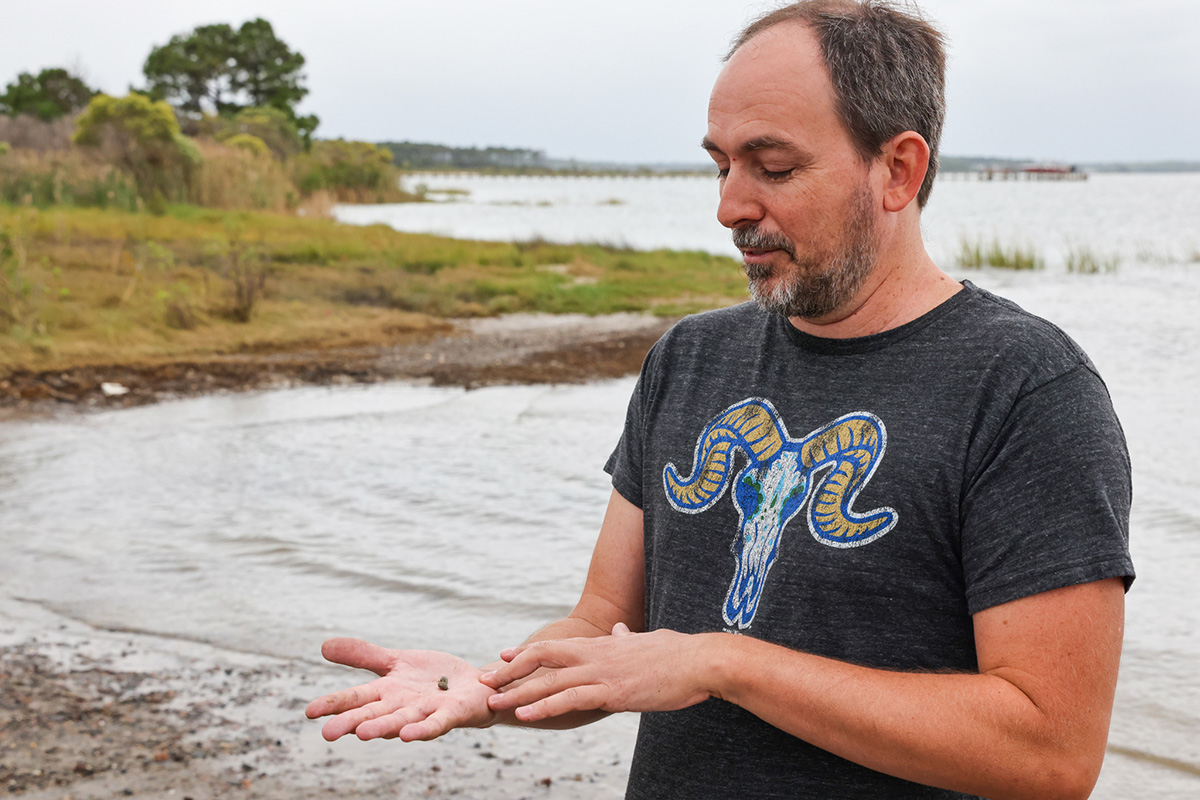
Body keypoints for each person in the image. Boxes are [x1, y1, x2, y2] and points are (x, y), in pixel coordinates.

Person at [306, 2, 1134, 797]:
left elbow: (1051, 751)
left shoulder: (1026, 388)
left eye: (773, 167)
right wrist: (484, 688)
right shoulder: (690, 358)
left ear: (898, 169)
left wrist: (726, 663)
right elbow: (603, 628)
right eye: (721, 164)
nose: (730, 207)